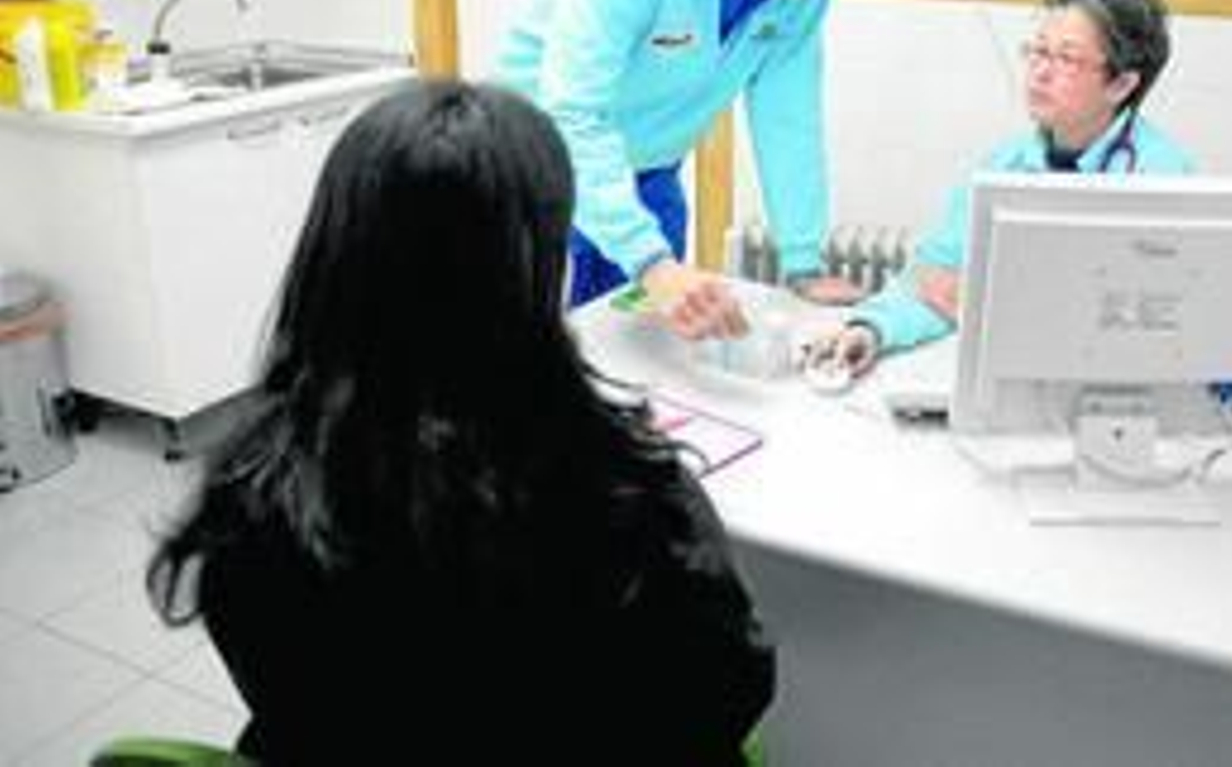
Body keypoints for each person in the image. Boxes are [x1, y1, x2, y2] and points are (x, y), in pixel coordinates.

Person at [145, 81, 774, 765]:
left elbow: (279, 694)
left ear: (334, 248)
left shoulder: (255, 489)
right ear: (536, 264)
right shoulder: (622, 493)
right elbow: (731, 691)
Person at [498, 0, 869, 341]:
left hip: (650, 170)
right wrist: (651, 264)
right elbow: (571, 114)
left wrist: (802, 263)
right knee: (549, 361)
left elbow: (789, 122)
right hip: (538, 171)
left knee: (649, 354)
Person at [808, 0, 1196, 377]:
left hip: (1113, 393)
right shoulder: (1005, 164)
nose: (1040, 72)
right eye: (1037, 51)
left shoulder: (1162, 177)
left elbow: (1144, 323)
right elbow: (928, 279)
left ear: (1120, 85)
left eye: (1066, 58)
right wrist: (871, 328)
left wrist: (985, 306)